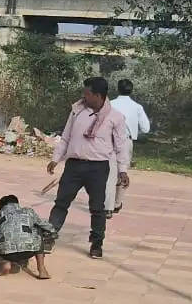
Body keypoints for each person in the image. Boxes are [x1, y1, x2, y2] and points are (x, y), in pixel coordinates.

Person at [46, 77, 130, 259]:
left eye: (87, 93)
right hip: (74, 166)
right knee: (61, 203)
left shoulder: (115, 117)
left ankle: (96, 244)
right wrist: (56, 159)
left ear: (98, 96)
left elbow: (121, 146)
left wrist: (123, 170)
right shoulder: (77, 111)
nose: (83, 96)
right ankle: (49, 236)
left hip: (98, 168)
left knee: (97, 208)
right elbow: (66, 136)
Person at [0, 195, 55, 279]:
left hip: (6, 253)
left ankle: (6, 263)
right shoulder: (29, 211)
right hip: (29, 251)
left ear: (1, 206)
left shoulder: (1, 214)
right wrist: (53, 233)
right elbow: (45, 225)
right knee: (37, 229)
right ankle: (42, 269)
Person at [105, 79, 149, 216]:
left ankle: (108, 207)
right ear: (131, 90)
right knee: (122, 171)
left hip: (109, 140)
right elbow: (146, 128)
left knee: (110, 174)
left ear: (118, 89)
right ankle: (118, 203)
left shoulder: (110, 105)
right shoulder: (137, 107)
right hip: (126, 141)